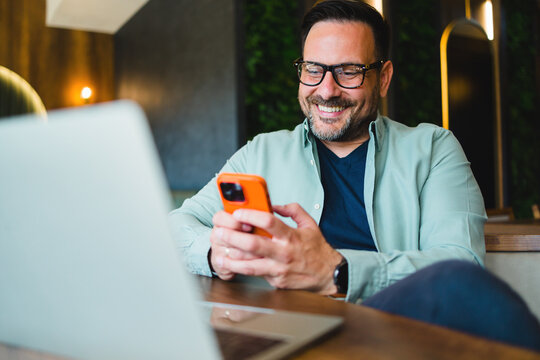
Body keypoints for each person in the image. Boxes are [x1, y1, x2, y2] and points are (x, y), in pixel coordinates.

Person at [170, 0, 540, 351]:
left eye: (349, 72)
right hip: (281, 331)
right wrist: (215, 253)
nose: (326, 90)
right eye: (313, 69)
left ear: (383, 78)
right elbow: (174, 226)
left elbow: (461, 268)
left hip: (391, 330)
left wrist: (335, 272)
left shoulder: (433, 149)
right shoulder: (260, 153)